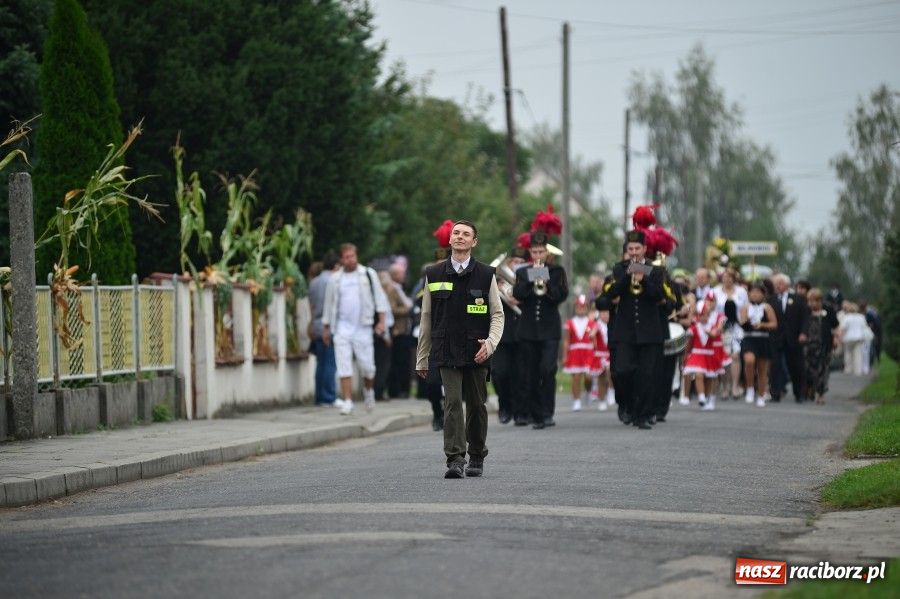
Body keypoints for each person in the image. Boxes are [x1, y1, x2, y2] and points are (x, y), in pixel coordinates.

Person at [416, 220, 504, 479]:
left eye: (466, 234)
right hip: (445, 349)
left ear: (474, 242)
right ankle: (455, 458)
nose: (460, 237)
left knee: (477, 405)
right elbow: (426, 317)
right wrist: (422, 357)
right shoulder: (433, 274)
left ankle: (477, 454)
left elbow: (497, 314)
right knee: (452, 403)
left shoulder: (486, 274)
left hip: (477, 350)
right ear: (450, 240)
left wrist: (490, 344)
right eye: (456, 233)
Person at [597, 229, 665, 430]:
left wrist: (643, 278)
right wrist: (628, 276)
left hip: (649, 331)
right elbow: (612, 294)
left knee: (646, 375)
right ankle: (626, 403)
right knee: (623, 371)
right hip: (625, 331)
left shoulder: (656, 270)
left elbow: (658, 295)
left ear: (645, 249)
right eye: (631, 249)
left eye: (637, 248)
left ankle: (642, 415)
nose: (634, 252)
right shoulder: (619, 269)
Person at [322, 243, 390, 415]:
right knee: (344, 365)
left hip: (363, 327)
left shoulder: (367, 274)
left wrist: (382, 321)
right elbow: (328, 304)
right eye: (346, 257)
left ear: (356, 256)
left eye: (352, 256)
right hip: (342, 328)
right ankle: (348, 401)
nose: (350, 260)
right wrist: (326, 328)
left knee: (368, 367)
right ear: (341, 259)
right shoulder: (335, 279)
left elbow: (379, 298)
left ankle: (369, 391)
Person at [513, 229, 569, 429]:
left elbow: (561, 296)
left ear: (547, 253)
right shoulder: (522, 272)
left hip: (549, 329)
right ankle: (536, 414)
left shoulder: (557, 272)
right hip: (528, 329)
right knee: (530, 372)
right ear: (530, 253)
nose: (538, 256)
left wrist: (547, 283)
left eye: (541, 252)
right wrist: (531, 279)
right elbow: (518, 294)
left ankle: (547, 413)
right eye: (534, 252)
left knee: (547, 369)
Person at [491, 249, 526, 424]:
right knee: (499, 373)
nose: (517, 264)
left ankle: (520, 411)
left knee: (520, 374)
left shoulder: (532, 276)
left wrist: (523, 299)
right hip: (501, 334)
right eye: (514, 261)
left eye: (521, 261)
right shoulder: (496, 281)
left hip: (523, 333)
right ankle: (504, 404)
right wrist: (496, 291)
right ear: (508, 263)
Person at [767, 274, 809, 403]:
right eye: (776, 284)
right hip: (776, 338)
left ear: (787, 285)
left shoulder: (798, 299)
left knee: (796, 367)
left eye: (780, 283)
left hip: (794, 338)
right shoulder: (771, 300)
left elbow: (805, 318)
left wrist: (803, 333)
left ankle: (799, 394)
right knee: (775, 366)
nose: (778, 286)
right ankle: (775, 393)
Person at [682, 291, 727, 411]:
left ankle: (710, 398)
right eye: (708, 300)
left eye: (712, 301)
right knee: (699, 374)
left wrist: (709, 330)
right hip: (699, 352)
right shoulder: (696, 324)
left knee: (712, 376)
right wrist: (687, 353)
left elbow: (718, 331)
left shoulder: (719, 316)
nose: (710, 303)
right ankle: (701, 397)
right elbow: (690, 341)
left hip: (715, 348)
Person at [308, 251, 339, 406]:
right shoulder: (334, 281)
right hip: (329, 325)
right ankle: (329, 397)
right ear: (335, 266)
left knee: (321, 363)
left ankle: (319, 396)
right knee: (330, 363)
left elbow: (311, 306)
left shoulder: (314, 282)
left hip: (317, 324)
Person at [740, 283, 778, 407]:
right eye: (753, 292)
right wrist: (747, 322)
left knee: (762, 370)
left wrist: (762, 325)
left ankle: (761, 395)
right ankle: (750, 387)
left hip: (763, 339)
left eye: (758, 292)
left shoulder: (767, 307)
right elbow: (743, 320)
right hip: (749, 338)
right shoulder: (746, 307)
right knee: (749, 361)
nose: (755, 294)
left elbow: (774, 324)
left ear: (763, 294)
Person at [713, 268, 748, 399]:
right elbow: (712, 309)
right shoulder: (715, 291)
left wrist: (743, 323)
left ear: (734, 279)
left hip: (736, 327)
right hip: (721, 328)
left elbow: (744, 308)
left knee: (735, 356)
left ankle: (734, 386)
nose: (727, 279)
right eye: (725, 277)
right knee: (724, 357)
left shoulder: (741, 291)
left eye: (730, 277)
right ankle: (725, 386)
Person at [563, 295, 600, 411]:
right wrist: (565, 355)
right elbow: (566, 340)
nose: (581, 308)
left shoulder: (591, 323)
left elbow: (595, 340)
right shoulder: (570, 322)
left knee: (588, 377)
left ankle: (589, 392)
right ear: (575, 307)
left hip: (588, 352)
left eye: (583, 307)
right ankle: (576, 400)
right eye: (579, 306)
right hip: (575, 352)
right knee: (576, 377)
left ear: (587, 308)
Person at [804, 288, 838, 404]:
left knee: (823, 370)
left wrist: (836, 339)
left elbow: (835, 326)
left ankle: (821, 393)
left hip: (824, 344)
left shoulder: (828, 310)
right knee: (810, 369)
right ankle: (812, 388)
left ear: (819, 301)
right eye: (810, 301)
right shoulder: (806, 311)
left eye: (814, 301)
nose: (812, 304)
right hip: (808, 346)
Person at [386, 263, 415, 399]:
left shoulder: (400, 288)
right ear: (394, 275)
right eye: (401, 273)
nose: (403, 275)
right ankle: (397, 390)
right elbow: (392, 309)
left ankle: (404, 389)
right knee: (398, 361)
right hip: (398, 330)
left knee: (405, 361)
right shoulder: (392, 289)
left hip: (405, 330)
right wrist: (407, 310)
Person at [372, 270, 396, 401]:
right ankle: (378, 391)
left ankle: (379, 391)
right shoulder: (380, 297)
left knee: (381, 364)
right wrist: (386, 337)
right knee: (382, 365)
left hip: (382, 333)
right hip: (382, 335)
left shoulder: (381, 296)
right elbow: (384, 320)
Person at [838, 303, 871, 376]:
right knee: (858, 354)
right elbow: (864, 327)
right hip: (858, 337)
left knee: (848, 354)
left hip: (848, 338)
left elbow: (842, 329)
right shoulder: (861, 317)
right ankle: (858, 370)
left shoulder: (846, 317)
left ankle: (848, 369)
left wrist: (840, 337)